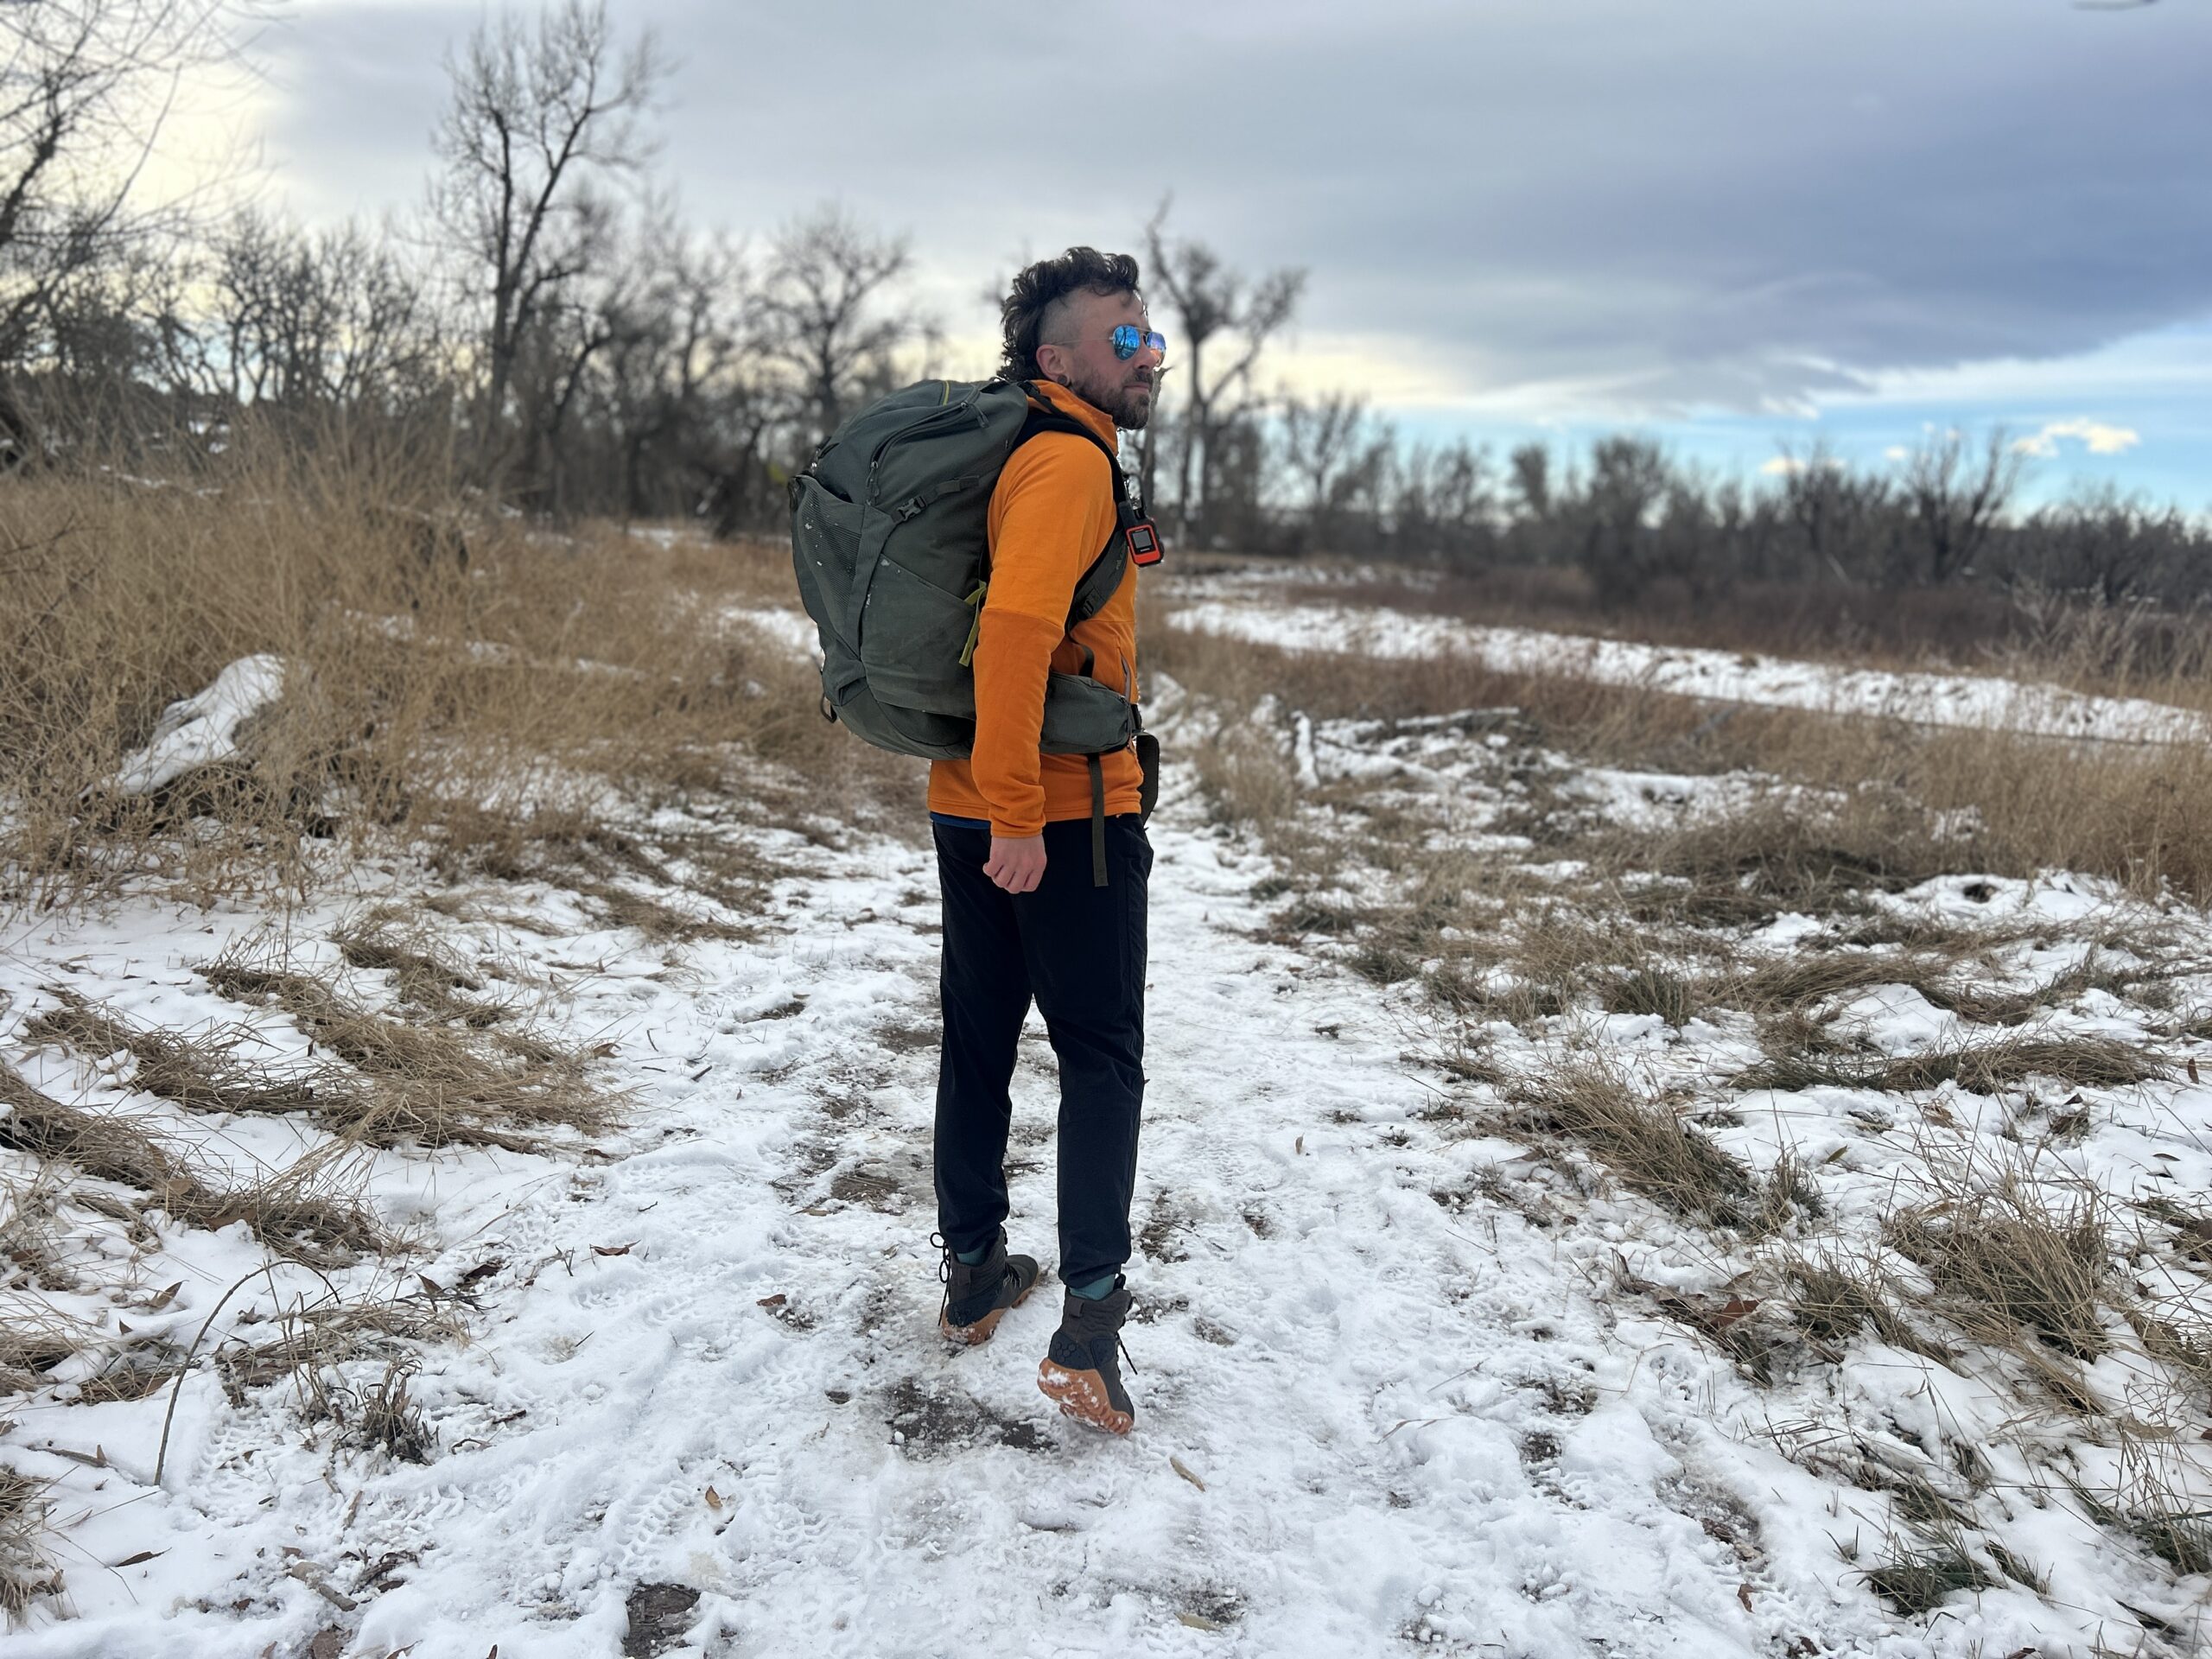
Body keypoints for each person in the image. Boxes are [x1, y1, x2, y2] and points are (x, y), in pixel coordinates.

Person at [926, 248, 1163, 1437]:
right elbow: (1015, 635)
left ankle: (975, 1274)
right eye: (1125, 338)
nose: (1148, 352)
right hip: (1057, 817)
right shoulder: (1067, 464)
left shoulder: (1029, 453)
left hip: (976, 793)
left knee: (979, 1037)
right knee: (1102, 1057)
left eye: (1149, 332)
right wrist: (1023, 816)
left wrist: (995, 803)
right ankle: (1088, 1327)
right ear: (1058, 359)